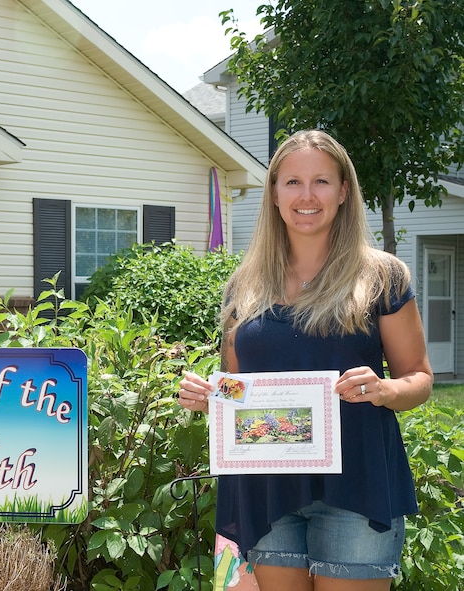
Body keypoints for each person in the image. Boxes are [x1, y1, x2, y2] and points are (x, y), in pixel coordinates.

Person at [178, 129, 432, 591]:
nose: (306, 195)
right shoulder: (244, 285)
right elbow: (241, 389)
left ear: (343, 191)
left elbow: (420, 378)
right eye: (292, 182)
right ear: (274, 194)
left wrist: (385, 389)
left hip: (357, 485)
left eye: (321, 181)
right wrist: (210, 394)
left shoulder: (383, 277)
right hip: (265, 486)